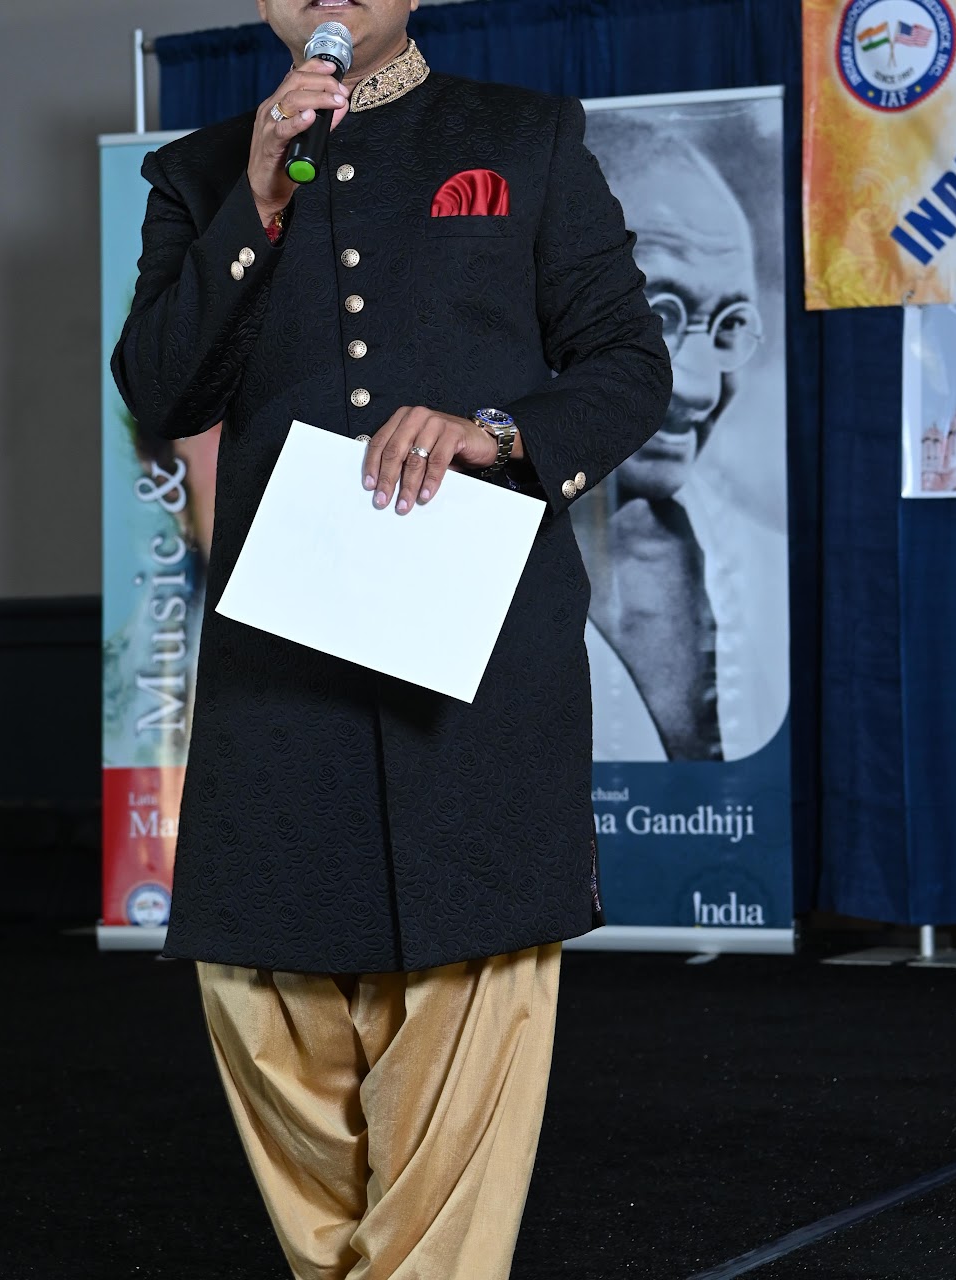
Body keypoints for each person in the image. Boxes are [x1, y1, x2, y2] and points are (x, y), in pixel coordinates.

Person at [110, 1, 671, 1277]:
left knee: (473, 983)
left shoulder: (523, 136)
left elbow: (627, 363)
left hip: (475, 651)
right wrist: (257, 202)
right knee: (261, 997)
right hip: (281, 658)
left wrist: (499, 432)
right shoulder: (199, 173)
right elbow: (160, 388)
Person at [574, 117, 789, 763]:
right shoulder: (432, 556)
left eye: (728, 325)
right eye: (659, 315)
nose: (700, 388)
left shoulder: (772, 574)